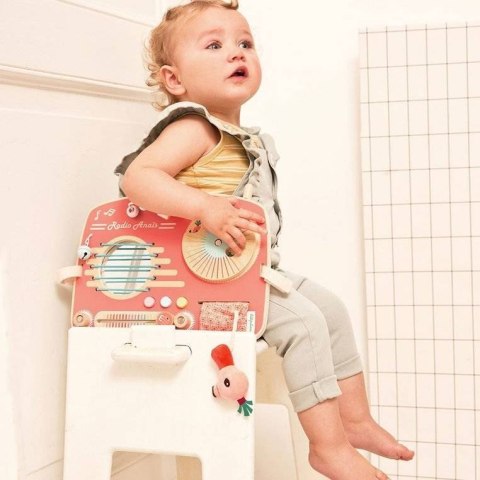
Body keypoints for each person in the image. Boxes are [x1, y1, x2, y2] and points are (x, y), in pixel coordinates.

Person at [115, 1, 414, 478]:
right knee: (304, 324)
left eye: (245, 43)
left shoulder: (238, 134)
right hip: (205, 288)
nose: (236, 53)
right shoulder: (193, 128)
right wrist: (204, 206)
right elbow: (138, 177)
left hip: (246, 273)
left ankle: (355, 421)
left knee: (330, 309)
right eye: (214, 45)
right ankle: (327, 447)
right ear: (174, 79)